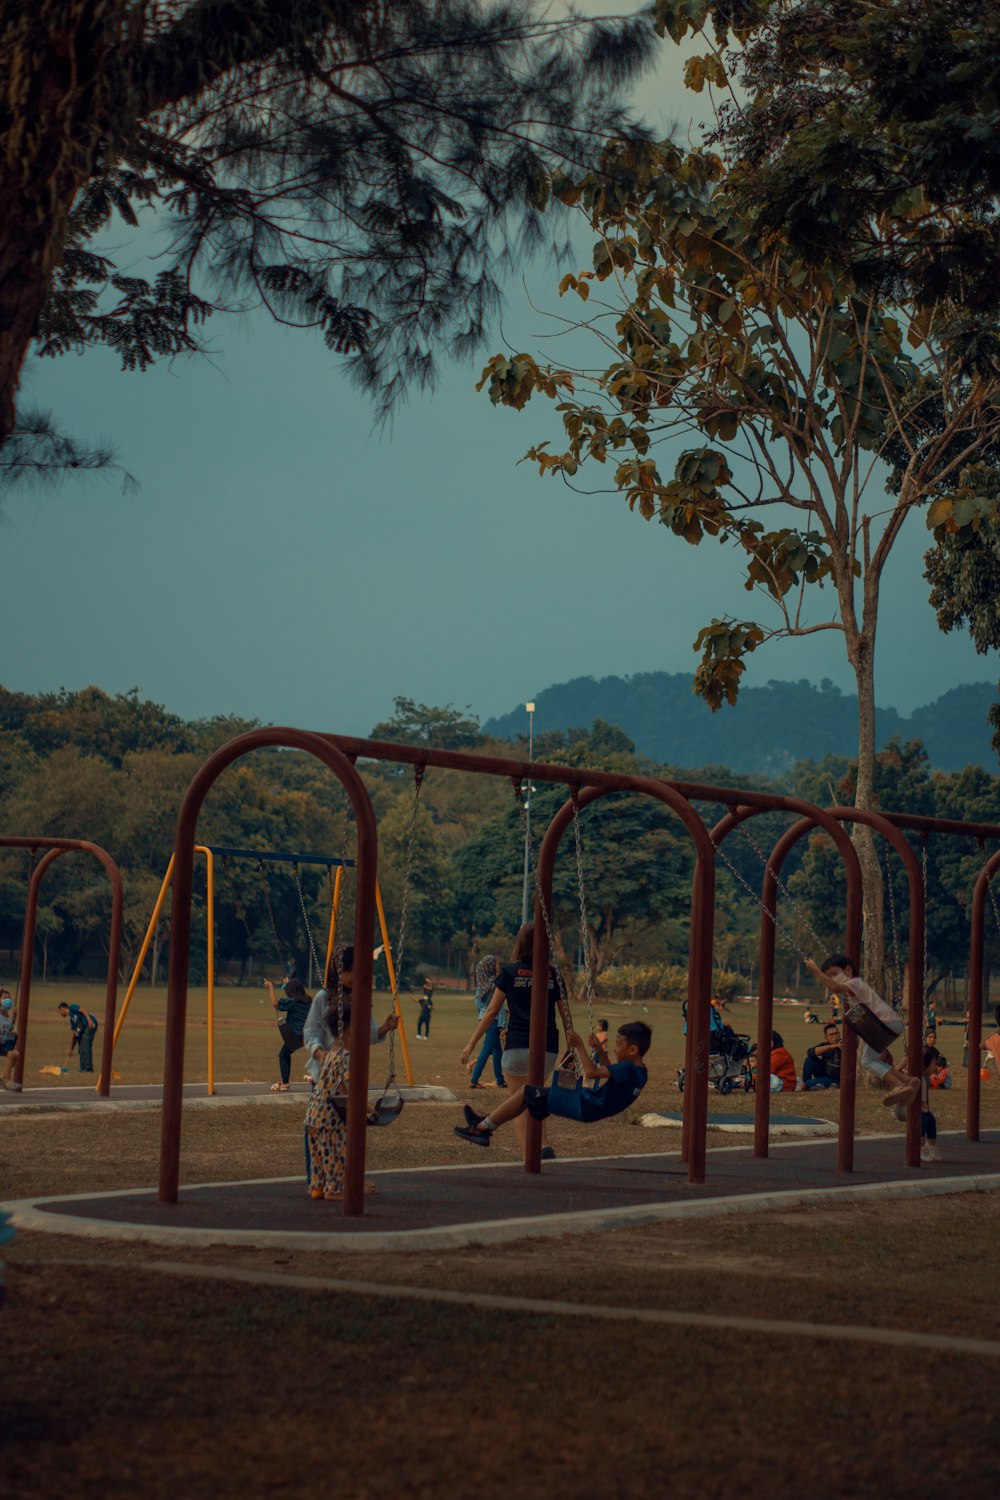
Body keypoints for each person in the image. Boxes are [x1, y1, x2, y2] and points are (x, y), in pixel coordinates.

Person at [459, 922, 567, 1159]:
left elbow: (491, 1012)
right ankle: (544, 1146)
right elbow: (564, 1013)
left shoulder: (509, 972)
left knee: (519, 1106)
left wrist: (471, 1043)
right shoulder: (553, 974)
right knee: (535, 1096)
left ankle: (530, 1156)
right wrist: (572, 1045)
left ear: (520, 944)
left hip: (518, 1045)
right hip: (548, 1048)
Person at [453, 1021, 651, 1147]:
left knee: (525, 1092)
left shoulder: (626, 1069)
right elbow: (612, 1074)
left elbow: (591, 1072)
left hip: (584, 1104)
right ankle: (483, 1124)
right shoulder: (640, 1072)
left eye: (618, 1044)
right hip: (588, 1106)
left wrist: (580, 1045)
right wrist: (600, 1051)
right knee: (528, 1097)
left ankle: (482, 1128)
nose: (615, 1049)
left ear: (632, 1049)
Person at [301, 945, 399, 1181]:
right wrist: (320, 1053)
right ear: (340, 969)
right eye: (352, 970)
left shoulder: (361, 996)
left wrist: (385, 1028)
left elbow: (367, 1033)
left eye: (360, 970)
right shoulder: (324, 997)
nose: (357, 976)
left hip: (349, 1069)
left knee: (343, 1131)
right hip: (325, 1075)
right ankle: (315, 1178)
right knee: (319, 1126)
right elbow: (310, 1032)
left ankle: (341, 1178)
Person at [806, 954, 920, 1112]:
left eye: (834, 974)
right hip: (887, 1025)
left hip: (884, 1024)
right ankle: (908, 1080)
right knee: (871, 1059)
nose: (832, 979)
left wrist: (815, 970)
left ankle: (899, 1086)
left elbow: (834, 987)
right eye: (829, 976)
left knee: (867, 1061)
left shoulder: (854, 983)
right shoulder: (853, 988)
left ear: (848, 970)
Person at [264, 975, 312, 1092]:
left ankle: (285, 1083)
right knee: (288, 1053)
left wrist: (270, 987)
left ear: (291, 990)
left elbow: (276, 1004)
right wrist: (288, 984)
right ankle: (317, 1076)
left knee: (283, 1055)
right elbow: (293, 993)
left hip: (295, 1036)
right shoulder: (308, 1000)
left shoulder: (293, 1002)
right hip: (307, 1036)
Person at [469, 954, 506, 1089]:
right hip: (493, 1020)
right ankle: (474, 1079)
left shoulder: (483, 985)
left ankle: (500, 1079)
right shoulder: (495, 984)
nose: (497, 966)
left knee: (497, 1051)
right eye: (495, 964)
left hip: (484, 1019)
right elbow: (498, 1007)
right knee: (486, 1050)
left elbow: (478, 1005)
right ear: (490, 967)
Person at [57, 1001, 98, 1073]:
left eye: (60, 1011)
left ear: (63, 1009)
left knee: (86, 1045)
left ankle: (89, 1068)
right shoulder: (72, 1020)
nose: (60, 1014)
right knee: (81, 1046)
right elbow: (74, 1034)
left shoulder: (72, 1008)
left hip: (90, 1024)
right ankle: (83, 1068)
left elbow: (82, 1009)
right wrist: (71, 1049)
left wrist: (89, 1020)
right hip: (83, 1028)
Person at [921, 1045, 943, 1162]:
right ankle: (920, 1147)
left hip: (924, 1109)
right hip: (913, 1110)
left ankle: (931, 1145)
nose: (936, 1068)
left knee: (931, 1121)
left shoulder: (925, 1078)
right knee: (922, 1122)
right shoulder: (916, 1077)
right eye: (934, 1064)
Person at [802, 1022, 841, 1090]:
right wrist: (831, 1046)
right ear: (826, 1038)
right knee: (810, 1059)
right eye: (831, 1035)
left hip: (836, 1078)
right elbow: (810, 1052)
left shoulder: (844, 1044)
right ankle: (806, 1084)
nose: (835, 1036)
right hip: (823, 1074)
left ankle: (810, 1085)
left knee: (809, 1083)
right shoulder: (826, 1045)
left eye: (836, 1033)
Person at [0, 992, 21, 1092]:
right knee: (12, 1054)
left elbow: (9, 1029)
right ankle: (7, 1080)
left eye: (9, 998)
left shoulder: (8, 1018)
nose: (7, 1000)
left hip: (2, 1043)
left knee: (16, 1054)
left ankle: (2, 1077)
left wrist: (15, 1017)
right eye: (5, 998)